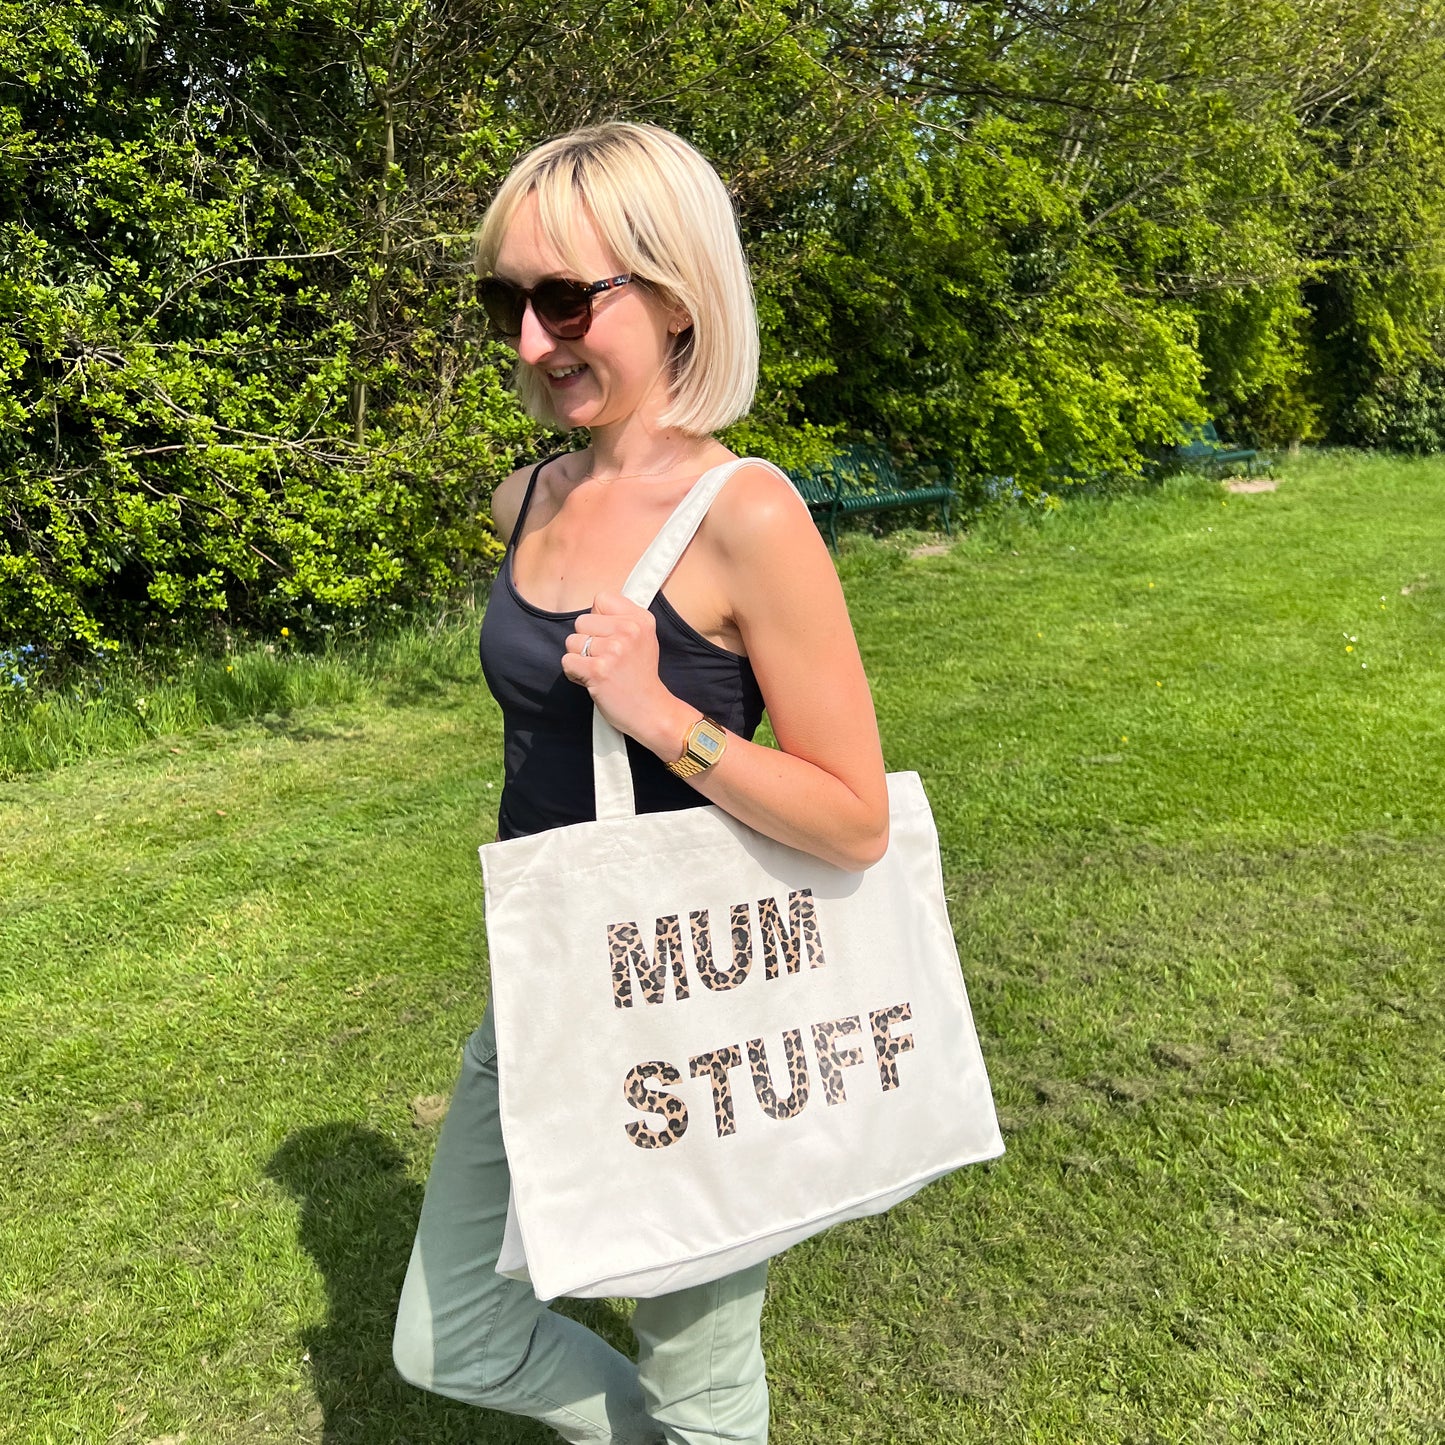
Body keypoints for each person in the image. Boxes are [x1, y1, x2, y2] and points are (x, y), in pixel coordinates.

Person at [391, 120, 889, 1445]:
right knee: (451, 1330)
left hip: (696, 1013)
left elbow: (853, 817)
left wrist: (666, 716)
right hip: (545, 989)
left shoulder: (747, 514)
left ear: (672, 296)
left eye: (563, 298)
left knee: (701, 1390)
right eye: (505, 299)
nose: (526, 338)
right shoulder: (527, 499)